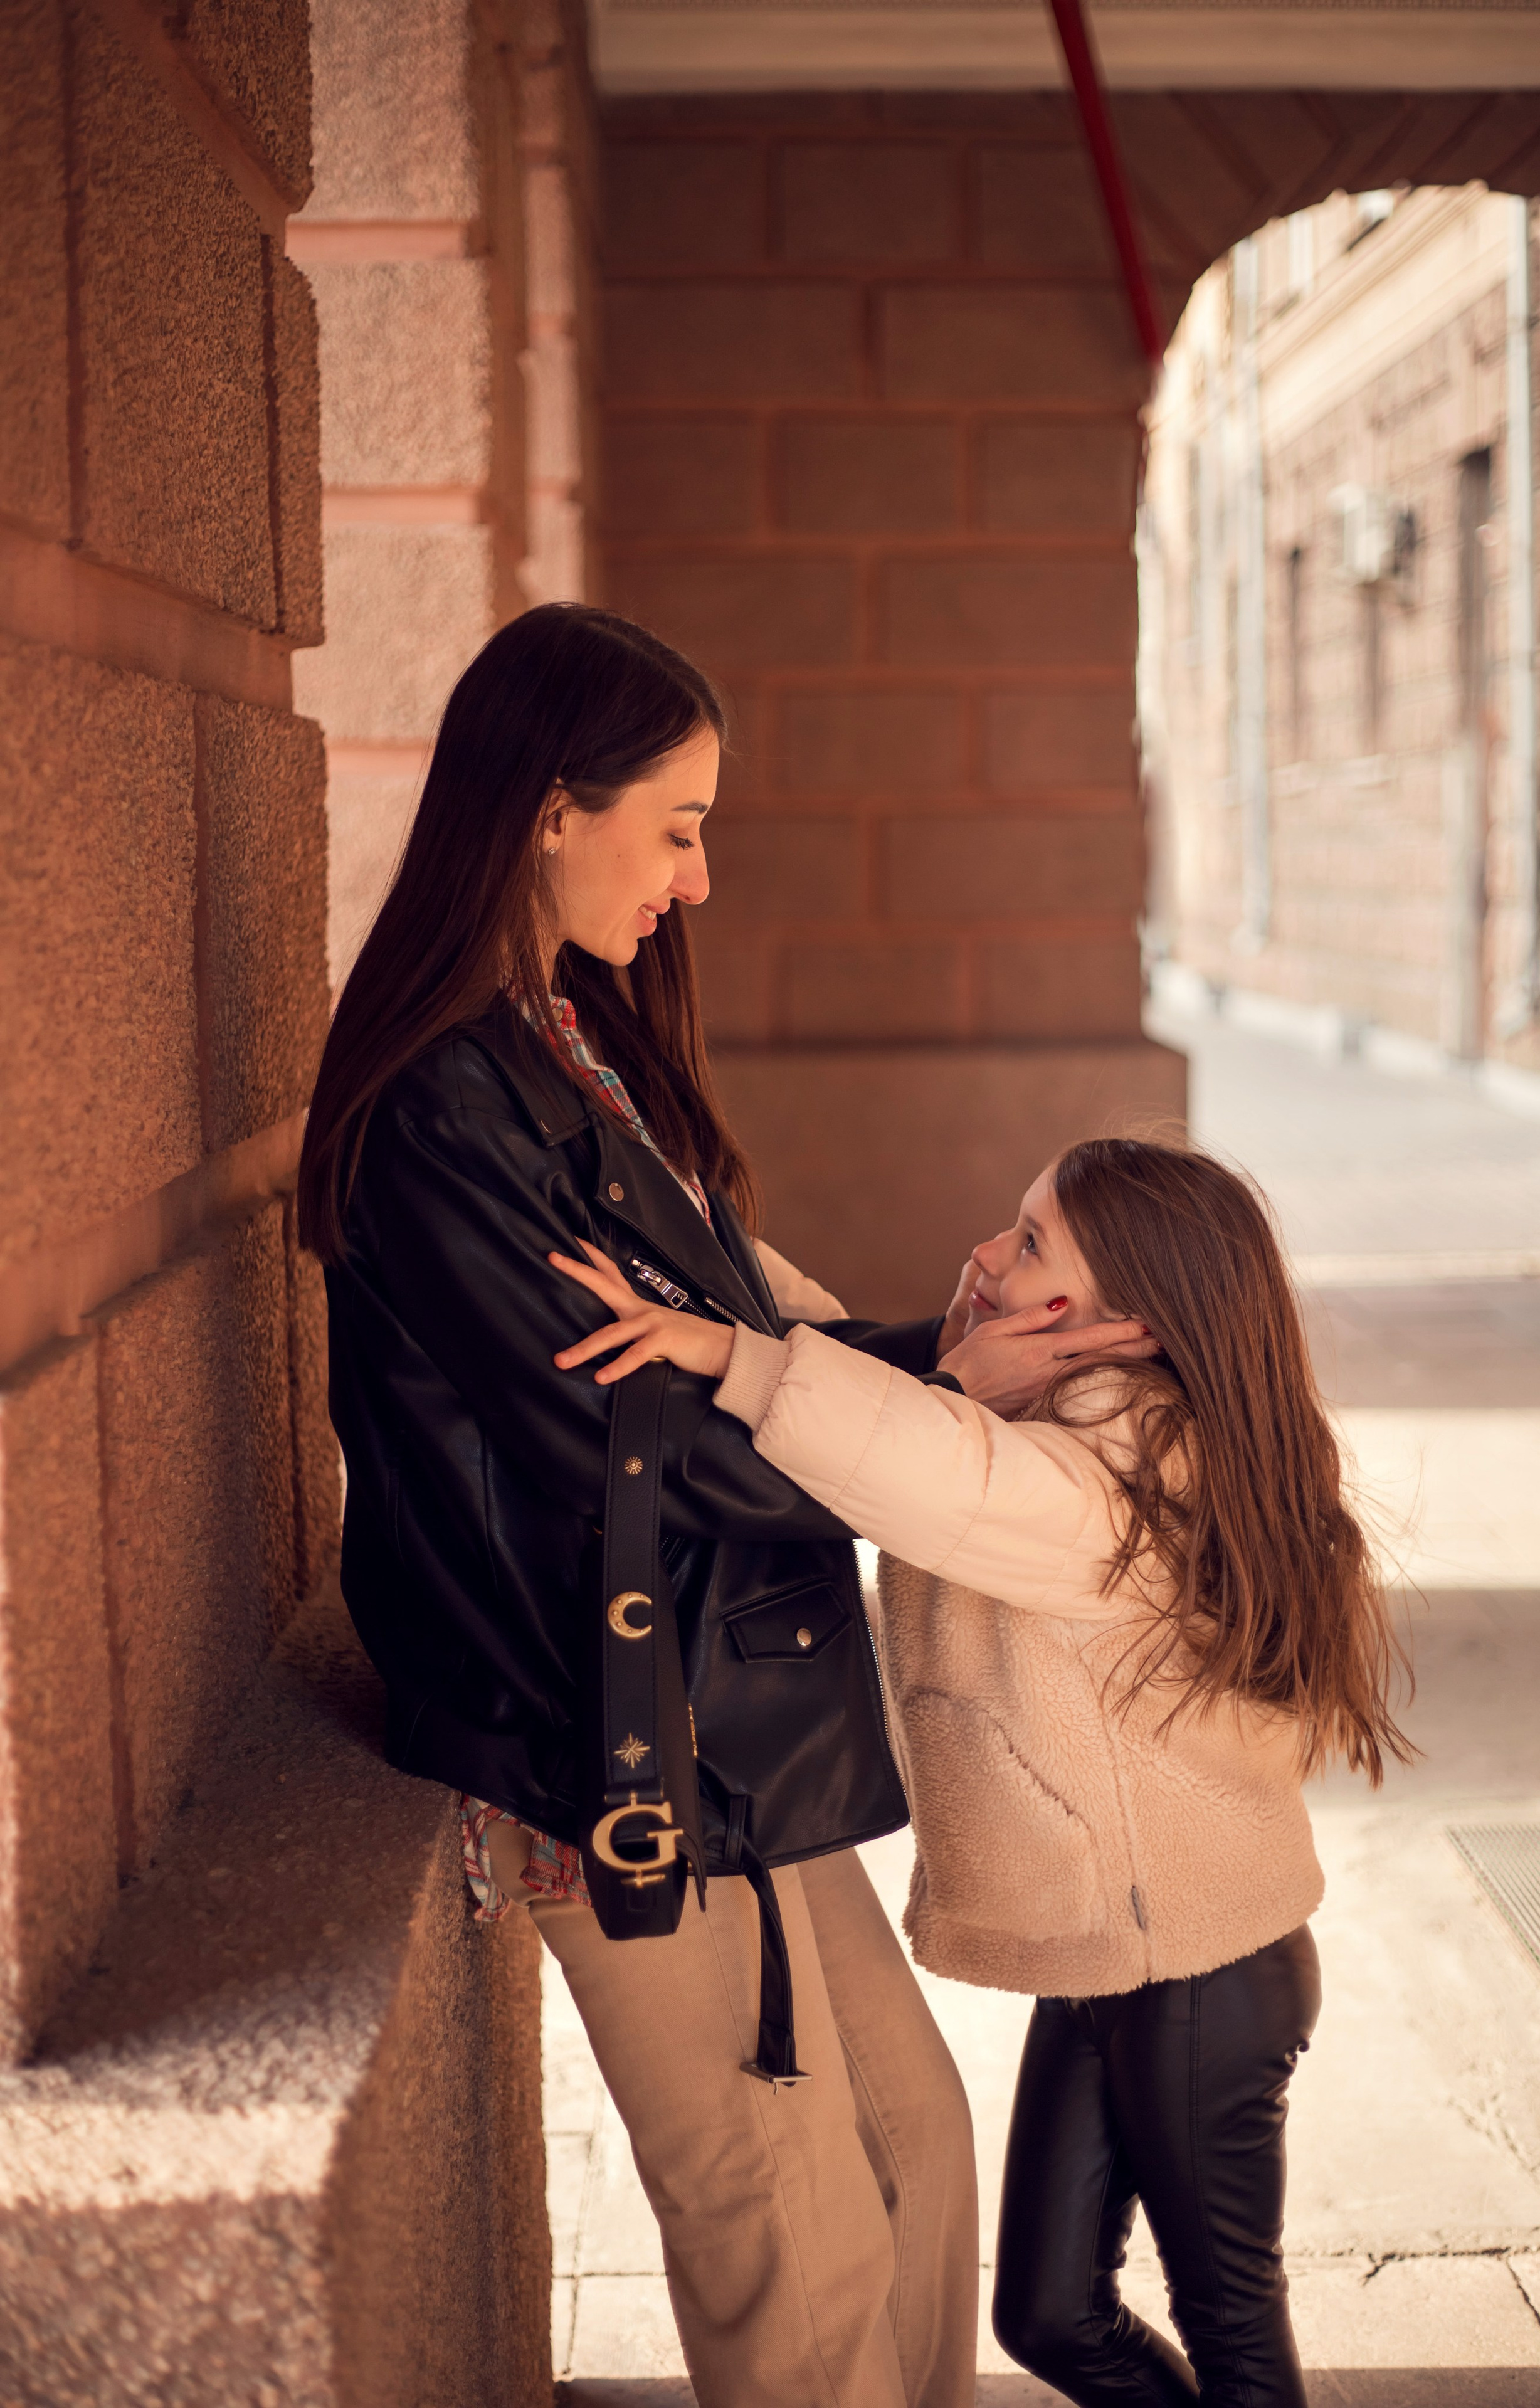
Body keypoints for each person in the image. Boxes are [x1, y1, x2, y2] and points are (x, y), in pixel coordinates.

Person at [296, 601, 1142, 2408]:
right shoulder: (446, 1106)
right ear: (545, 806)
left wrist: (970, 1369)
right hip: (612, 1744)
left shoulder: (573, 1046)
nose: (697, 878)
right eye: (674, 826)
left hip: (732, 1708)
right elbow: (644, 1443)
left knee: (912, 2164)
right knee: (794, 2245)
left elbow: (748, 1350)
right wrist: (942, 1426)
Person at [553, 1135, 1415, 2408]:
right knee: (1049, 2314)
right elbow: (875, 1385)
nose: (984, 1254)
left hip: (1200, 1982)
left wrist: (731, 1356)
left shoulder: (1108, 1487)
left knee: (1232, 2333)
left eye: (1026, 1245)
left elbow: (922, 1464)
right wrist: (690, 1249)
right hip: (1116, 1961)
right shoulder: (1064, 1420)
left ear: (1119, 1324)